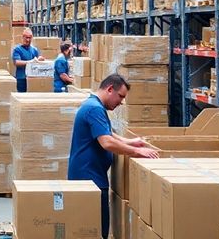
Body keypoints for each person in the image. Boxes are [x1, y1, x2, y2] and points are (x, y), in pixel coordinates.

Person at [68, 74, 158, 239]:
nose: (121, 102)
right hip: (89, 180)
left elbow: (106, 133)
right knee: (95, 231)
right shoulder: (94, 108)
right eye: (121, 96)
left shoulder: (93, 104)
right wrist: (137, 152)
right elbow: (107, 142)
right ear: (110, 89)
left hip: (90, 177)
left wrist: (131, 142)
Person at [11, 28, 45, 93]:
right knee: (22, 96)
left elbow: (38, 61)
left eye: (30, 38)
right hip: (21, 78)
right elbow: (17, 62)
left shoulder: (34, 50)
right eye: (26, 37)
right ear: (22, 37)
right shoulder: (17, 49)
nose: (28, 40)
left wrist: (41, 60)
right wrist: (31, 62)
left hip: (32, 78)